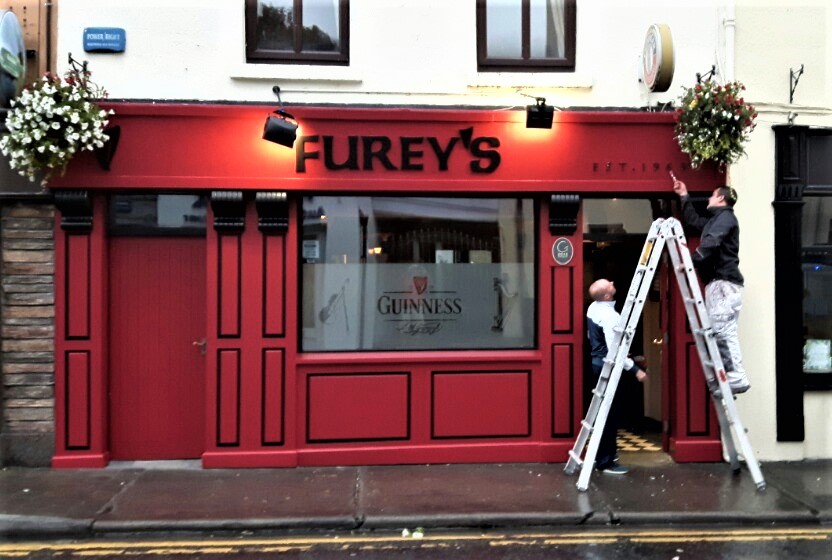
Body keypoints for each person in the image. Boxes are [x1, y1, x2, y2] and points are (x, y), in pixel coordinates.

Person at [671, 174, 751, 395]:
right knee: (719, 331)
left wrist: (690, 261)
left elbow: (712, 243)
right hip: (721, 284)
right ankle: (725, 377)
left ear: (721, 199)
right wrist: (684, 196)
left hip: (723, 283)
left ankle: (736, 377)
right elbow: (694, 222)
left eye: (713, 195)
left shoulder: (725, 218)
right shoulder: (717, 219)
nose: (709, 197)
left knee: (723, 330)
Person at [586, 278, 647, 475]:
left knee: (602, 414)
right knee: (609, 416)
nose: (613, 281)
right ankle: (606, 461)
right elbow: (615, 350)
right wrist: (635, 369)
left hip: (597, 365)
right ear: (606, 295)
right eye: (609, 284)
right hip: (608, 367)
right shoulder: (610, 316)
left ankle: (600, 455)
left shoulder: (593, 308)